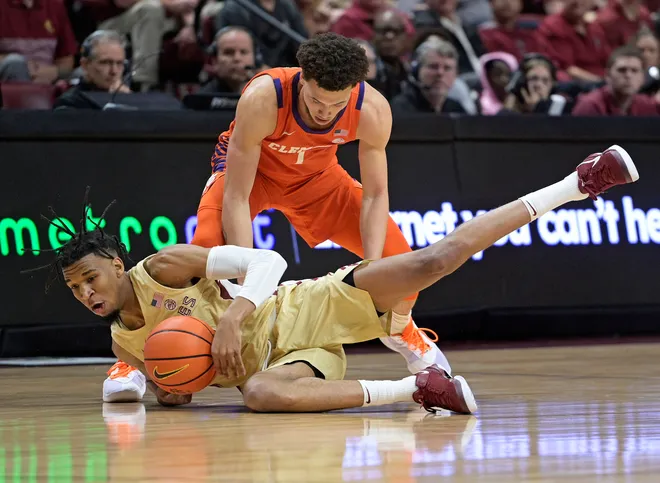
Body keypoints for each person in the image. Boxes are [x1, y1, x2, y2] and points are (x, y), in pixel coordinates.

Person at [42, 144, 638, 413]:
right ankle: (421, 390)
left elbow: (268, 265)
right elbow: (177, 386)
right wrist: (172, 390)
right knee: (259, 396)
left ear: (116, 265)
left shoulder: (165, 266)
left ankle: (578, 183)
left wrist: (230, 316)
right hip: (293, 364)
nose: (87, 293)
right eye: (75, 290)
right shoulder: (125, 343)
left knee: (431, 262)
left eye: (90, 278)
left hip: (306, 307)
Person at [102, 32, 455, 403]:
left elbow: (375, 194)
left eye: (335, 104)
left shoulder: (373, 109)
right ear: (301, 78)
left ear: (354, 90)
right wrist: (243, 288)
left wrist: (373, 272)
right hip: (251, 177)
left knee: (402, 263)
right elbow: (237, 196)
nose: (323, 111)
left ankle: (399, 329)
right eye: (316, 99)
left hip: (317, 179)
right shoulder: (264, 97)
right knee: (202, 256)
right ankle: (138, 357)